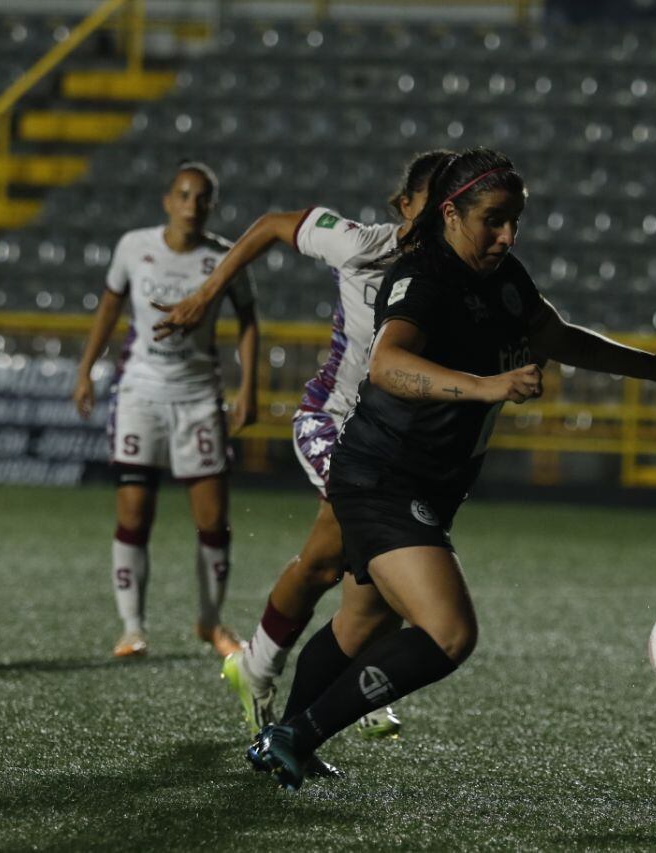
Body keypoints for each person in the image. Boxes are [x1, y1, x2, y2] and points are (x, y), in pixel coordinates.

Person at [238, 147, 656, 789]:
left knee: (361, 624)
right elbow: (388, 364)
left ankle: (283, 737)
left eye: (515, 220)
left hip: (423, 481)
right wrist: (485, 386)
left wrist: (652, 366)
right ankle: (296, 734)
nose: (507, 234)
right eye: (494, 219)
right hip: (383, 476)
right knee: (449, 633)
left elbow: (555, 334)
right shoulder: (426, 277)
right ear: (452, 213)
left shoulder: (503, 276)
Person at [153, 150, 453, 743]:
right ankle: (272, 669)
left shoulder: (457, 275)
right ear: (405, 205)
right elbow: (269, 225)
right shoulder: (361, 243)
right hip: (333, 421)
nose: (443, 221)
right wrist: (209, 294)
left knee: (345, 566)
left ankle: (268, 667)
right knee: (355, 547)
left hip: (391, 443)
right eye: (433, 206)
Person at [72, 161, 259, 659]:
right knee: (134, 513)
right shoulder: (135, 247)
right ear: (167, 201)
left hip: (199, 397)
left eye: (202, 198)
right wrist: (85, 368)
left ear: (211, 206)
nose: (192, 206)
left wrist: (249, 389)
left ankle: (210, 622)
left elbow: (248, 321)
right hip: (140, 394)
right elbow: (109, 307)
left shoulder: (224, 258)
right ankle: (132, 628)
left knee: (214, 519)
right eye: (184, 195)